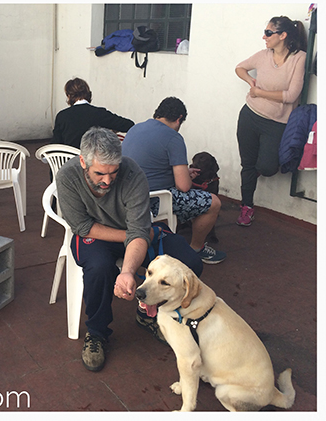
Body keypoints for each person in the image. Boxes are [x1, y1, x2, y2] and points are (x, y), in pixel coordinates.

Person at [56, 126, 203, 372]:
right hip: (96, 233)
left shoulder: (132, 173)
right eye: (100, 173)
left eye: (113, 172)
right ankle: (97, 332)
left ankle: (153, 314)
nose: (107, 180)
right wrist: (132, 238)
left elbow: (138, 230)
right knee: (99, 268)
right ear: (83, 162)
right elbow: (82, 226)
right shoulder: (67, 176)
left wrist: (127, 270)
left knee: (189, 263)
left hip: (137, 232)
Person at [122, 97, 226, 265]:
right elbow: (184, 187)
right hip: (152, 199)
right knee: (214, 203)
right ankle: (196, 249)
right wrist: (185, 176)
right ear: (179, 119)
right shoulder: (173, 138)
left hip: (125, 195)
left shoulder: (135, 128)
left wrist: (183, 172)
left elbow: (151, 166)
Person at [235, 16, 307, 226]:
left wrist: (260, 92)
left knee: (267, 167)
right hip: (249, 116)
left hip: (276, 123)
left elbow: (291, 96)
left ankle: (253, 174)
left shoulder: (298, 58)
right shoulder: (262, 55)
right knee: (247, 165)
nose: (264, 37)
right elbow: (239, 67)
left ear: (282, 35)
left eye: (268, 33)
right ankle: (246, 207)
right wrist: (251, 81)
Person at [51, 77, 134, 149]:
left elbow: (55, 144)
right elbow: (129, 125)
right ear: (88, 93)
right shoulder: (99, 113)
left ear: (68, 96)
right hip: (93, 164)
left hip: (68, 163)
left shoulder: (62, 116)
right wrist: (110, 131)